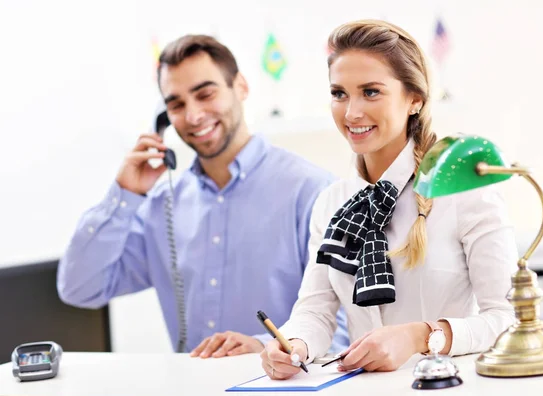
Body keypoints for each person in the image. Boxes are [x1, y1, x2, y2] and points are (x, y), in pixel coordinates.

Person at [57, 34, 348, 357]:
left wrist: (266, 347)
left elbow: (347, 329)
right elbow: (80, 288)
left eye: (205, 94)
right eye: (176, 105)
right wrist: (124, 194)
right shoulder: (160, 208)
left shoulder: (312, 191)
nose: (193, 116)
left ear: (240, 87)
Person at [260, 19, 518, 379]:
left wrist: (420, 336)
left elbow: (509, 319)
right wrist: (292, 344)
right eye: (339, 93)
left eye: (371, 92)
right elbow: (316, 310)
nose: (351, 113)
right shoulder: (330, 202)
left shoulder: (464, 191)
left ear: (415, 99)